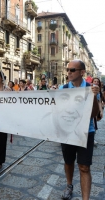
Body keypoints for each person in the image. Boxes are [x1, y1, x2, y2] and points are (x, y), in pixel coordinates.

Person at [60, 60, 99, 200]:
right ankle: (69, 185)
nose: (69, 72)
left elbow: (95, 114)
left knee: (84, 167)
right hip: (68, 132)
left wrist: (94, 97)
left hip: (86, 132)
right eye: (68, 70)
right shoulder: (62, 89)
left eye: (72, 70)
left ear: (82, 72)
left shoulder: (91, 88)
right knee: (68, 162)